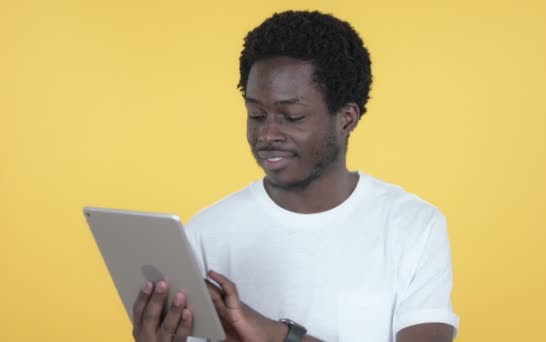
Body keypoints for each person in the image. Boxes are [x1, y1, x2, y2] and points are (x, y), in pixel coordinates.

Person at [131, 10, 459, 342]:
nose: (267, 133)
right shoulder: (205, 233)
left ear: (346, 119)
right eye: (256, 114)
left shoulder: (414, 227)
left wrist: (276, 334)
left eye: (292, 116)